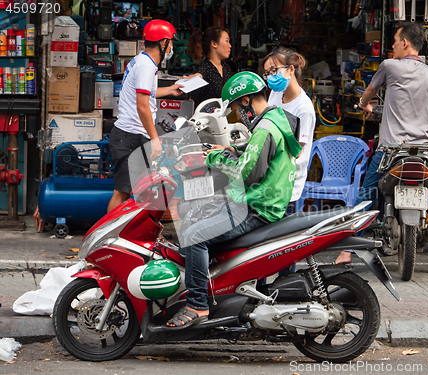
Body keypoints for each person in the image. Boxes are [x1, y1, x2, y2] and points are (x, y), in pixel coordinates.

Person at [166, 72, 302, 329]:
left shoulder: (264, 129)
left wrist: (214, 159)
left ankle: (197, 304)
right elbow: (256, 157)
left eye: (238, 107)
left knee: (195, 235)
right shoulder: (273, 120)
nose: (238, 114)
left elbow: (246, 174)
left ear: (248, 101)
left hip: (256, 207)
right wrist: (233, 150)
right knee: (194, 217)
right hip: (259, 201)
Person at [334, 22, 428, 275]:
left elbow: (371, 91)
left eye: (395, 40)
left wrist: (363, 103)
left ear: (405, 42)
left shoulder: (389, 66)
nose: (392, 45)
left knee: (367, 195)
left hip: (390, 152)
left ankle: (346, 251)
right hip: (424, 153)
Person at [107, 20, 184, 213]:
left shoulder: (142, 61)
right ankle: (108, 235)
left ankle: (138, 234)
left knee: (143, 191)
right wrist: (155, 138)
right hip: (129, 136)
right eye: (171, 42)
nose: (172, 47)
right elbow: (142, 106)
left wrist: (170, 90)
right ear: (163, 42)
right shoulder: (146, 67)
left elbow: (146, 93)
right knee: (122, 192)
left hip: (131, 135)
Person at [262, 47, 316, 212]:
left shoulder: (304, 107)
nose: (271, 77)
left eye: (274, 70)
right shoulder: (276, 94)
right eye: (267, 73)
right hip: (270, 174)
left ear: (291, 69)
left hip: (288, 182)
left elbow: (298, 150)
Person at [187, 27, 233, 107]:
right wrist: (189, 79)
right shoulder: (205, 67)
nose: (230, 46)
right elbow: (198, 75)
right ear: (214, 44)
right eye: (227, 41)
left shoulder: (226, 68)